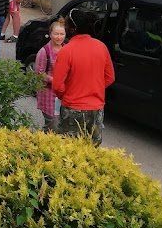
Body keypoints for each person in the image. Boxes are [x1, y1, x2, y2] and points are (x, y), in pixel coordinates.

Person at [51, 8, 115, 145]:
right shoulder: (101, 47)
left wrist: (67, 95)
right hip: (96, 109)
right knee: (91, 153)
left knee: (70, 152)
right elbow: (110, 77)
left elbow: (57, 85)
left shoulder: (66, 51)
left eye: (66, 25)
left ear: (73, 29)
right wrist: (94, 88)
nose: (65, 28)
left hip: (72, 108)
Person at [35, 19, 67, 131]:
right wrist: (54, 80)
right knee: (52, 124)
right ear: (50, 34)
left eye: (62, 34)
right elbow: (39, 73)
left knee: (61, 124)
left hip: (63, 93)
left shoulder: (67, 49)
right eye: (56, 34)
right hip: (48, 93)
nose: (59, 37)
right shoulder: (44, 52)